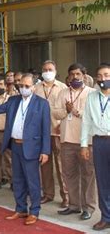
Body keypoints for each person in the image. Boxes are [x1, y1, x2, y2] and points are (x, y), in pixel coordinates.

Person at [0, 73, 51, 226]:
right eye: (21, 86)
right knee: (17, 180)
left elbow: (46, 129)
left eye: (26, 86)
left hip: (32, 148)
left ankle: (34, 211)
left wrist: (45, 151)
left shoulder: (42, 104)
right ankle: (21, 209)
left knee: (32, 181)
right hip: (15, 145)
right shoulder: (13, 100)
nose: (23, 88)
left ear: (33, 87)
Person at [55, 63, 97, 220]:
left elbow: (93, 117)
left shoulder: (92, 93)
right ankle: (74, 205)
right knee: (70, 174)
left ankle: (89, 207)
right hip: (67, 140)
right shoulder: (63, 93)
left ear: (84, 76)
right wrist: (65, 111)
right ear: (68, 76)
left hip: (87, 142)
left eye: (78, 74)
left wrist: (75, 111)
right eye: (72, 74)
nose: (75, 77)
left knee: (88, 175)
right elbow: (56, 114)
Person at [34, 60, 69, 207]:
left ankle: (66, 196)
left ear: (55, 71)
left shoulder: (63, 88)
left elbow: (67, 111)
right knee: (44, 165)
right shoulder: (36, 88)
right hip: (41, 133)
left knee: (61, 166)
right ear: (42, 72)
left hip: (58, 132)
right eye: (45, 69)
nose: (47, 72)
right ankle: (48, 194)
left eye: (50, 69)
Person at [81, 63, 110, 231]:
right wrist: (84, 145)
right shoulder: (92, 97)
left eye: (106, 75)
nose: (103, 79)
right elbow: (86, 122)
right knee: (103, 181)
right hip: (99, 142)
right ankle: (106, 217)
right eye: (100, 76)